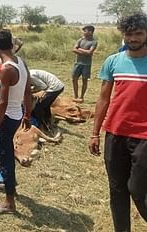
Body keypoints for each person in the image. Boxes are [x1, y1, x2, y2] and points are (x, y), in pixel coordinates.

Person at [89, 13, 147, 232]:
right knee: (117, 190)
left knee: (138, 189)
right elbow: (103, 98)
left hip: (144, 137)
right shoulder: (113, 61)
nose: (133, 38)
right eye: (129, 34)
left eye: (138, 33)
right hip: (115, 134)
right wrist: (95, 133)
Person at [0, 30, 32, 214]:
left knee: (4, 158)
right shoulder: (21, 63)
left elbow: (2, 103)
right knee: (6, 155)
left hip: (6, 118)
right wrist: (27, 114)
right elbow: (28, 92)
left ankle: (9, 203)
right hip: (17, 114)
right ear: (12, 44)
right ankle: (8, 184)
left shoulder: (6, 69)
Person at [71, 25, 97, 103]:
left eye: (87, 31)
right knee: (74, 79)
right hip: (77, 63)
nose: (85, 32)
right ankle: (76, 96)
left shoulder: (94, 42)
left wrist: (79, 49)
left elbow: (90, 52)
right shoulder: (80, 40)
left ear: (91, 32)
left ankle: (82, 97)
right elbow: (73, 49)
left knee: (84, 80)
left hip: (86, 64)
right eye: (84, 31)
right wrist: (85, 52)